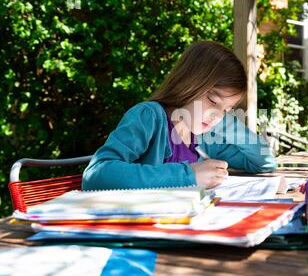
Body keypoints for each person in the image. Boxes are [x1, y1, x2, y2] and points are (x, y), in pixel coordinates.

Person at [82, 41, 276, 191]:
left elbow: (264, 162)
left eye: (227, 109)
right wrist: (188, 175)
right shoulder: (149, 117)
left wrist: (225, 120)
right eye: (213, 100)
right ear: (189, 84)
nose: (217, 115)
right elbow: (96, 175)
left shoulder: (205, 136)